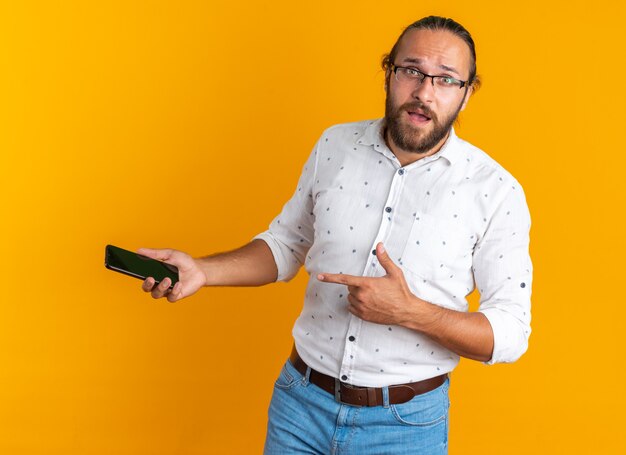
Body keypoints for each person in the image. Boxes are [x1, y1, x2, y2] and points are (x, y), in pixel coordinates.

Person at [139, 16, 532, 455]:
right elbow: (287, 245)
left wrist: (410, 312)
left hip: (404, 427)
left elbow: (510, 334)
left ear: (467, 93)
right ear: (388, 72)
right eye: (411, 71)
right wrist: (202, 271)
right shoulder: (335, 145)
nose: (424, 92)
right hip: (299, 406)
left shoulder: (495, 191)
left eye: (445, 80)